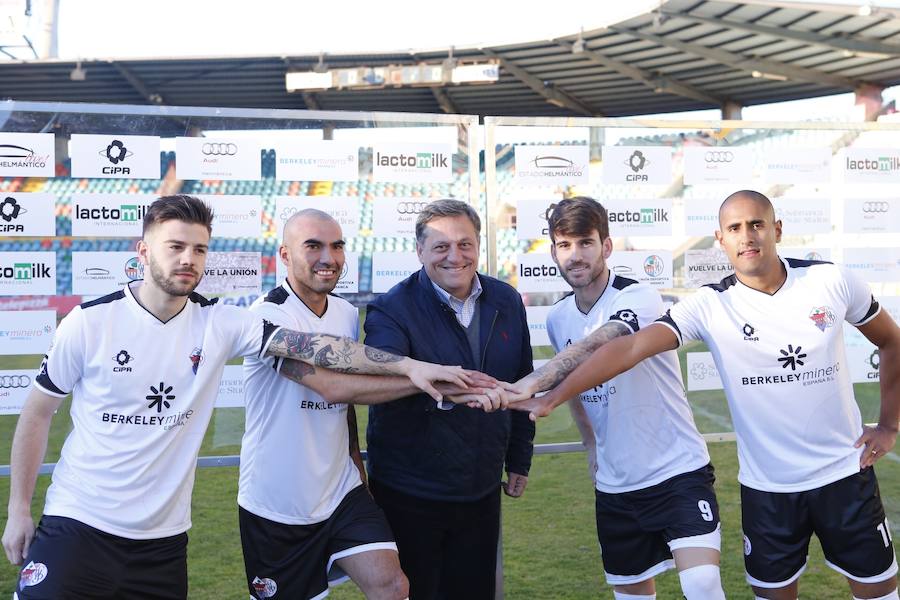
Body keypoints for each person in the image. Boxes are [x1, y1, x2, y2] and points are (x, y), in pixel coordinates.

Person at [1, 194, 475, 600]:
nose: (188, 258)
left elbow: (319, 348)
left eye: (199, 249)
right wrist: (19, 509)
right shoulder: (90, 322)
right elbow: (39, 411)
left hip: (163, 540)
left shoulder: (223, 323)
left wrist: (411, 365)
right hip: (80, 521)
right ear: (143, 252)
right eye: (176, 247)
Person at [515, 190, 900, 600]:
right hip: (766, 489)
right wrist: (552, 396)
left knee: (878, 593)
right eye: (735, 228)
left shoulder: (830, 280)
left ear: (777, 229)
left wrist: (890, 424)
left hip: (844, 476)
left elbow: (891, 341)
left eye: (756, 224)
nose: (747, 236)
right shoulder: (708, 304)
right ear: (721, 239)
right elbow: (626, 349)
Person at [240, 209, 498, 600]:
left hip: (342, 492)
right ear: (285, 255)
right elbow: (332, 388)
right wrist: (426, 380)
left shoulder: (344, 311)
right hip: (279, 502)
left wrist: (357, 466)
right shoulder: (267, 315)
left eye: (337, 245)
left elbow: (346, 407)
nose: (328, 257)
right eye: (313, 246)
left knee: (393, 586)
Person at [508, 197, 725, 600]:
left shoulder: (638, 296)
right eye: (564, 245)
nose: (575, 256)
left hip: (677, 472)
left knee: (703, 585)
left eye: (585, 243)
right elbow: (578, 382)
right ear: (554, 251)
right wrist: (591, 443)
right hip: (615, 486)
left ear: (606, 247)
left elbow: (604, 346)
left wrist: (543, 388)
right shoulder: (557, 317)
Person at [363, 198, 535, 599]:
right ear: (419, 250)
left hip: (481, 488)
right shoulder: (390, 309)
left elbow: (522, 379)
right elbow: (383, 374)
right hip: (410, 491)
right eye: (440, 247)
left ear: (478, 245)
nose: (454, 256)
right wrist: (450, 391)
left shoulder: (506, 300)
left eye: (465, 244)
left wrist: (519, 457)